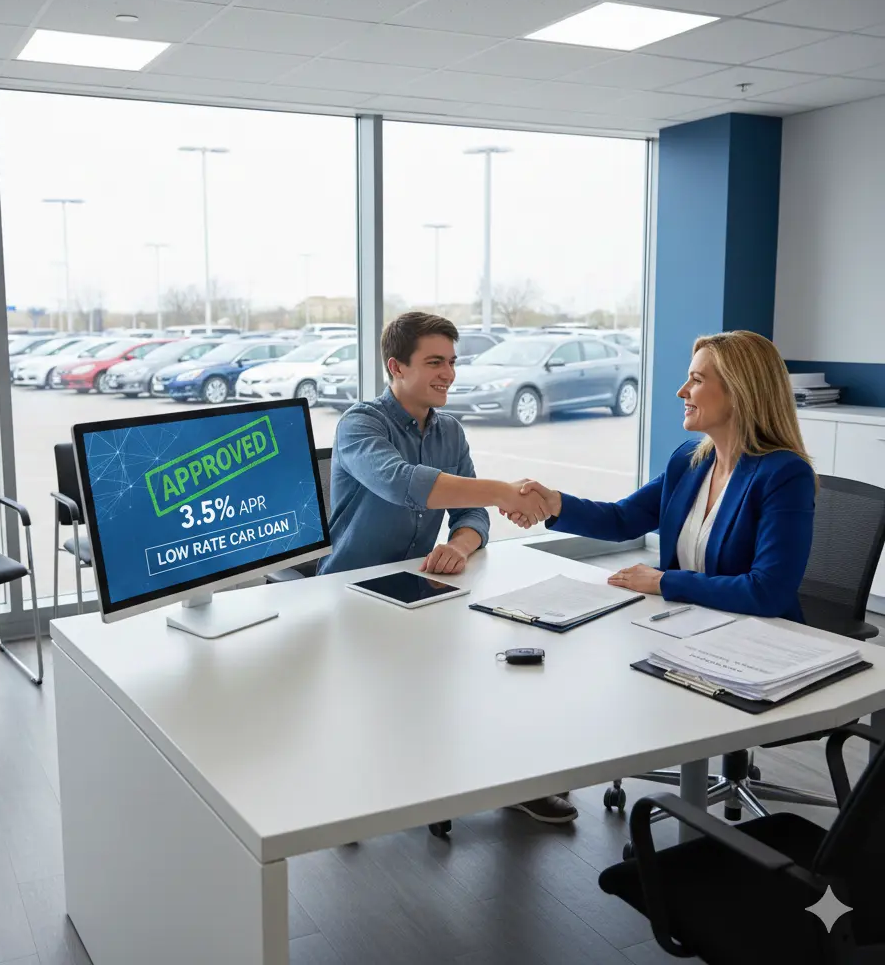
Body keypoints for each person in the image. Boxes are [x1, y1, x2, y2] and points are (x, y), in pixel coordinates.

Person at [319, 311, 578, 824]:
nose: (449, 374)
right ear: (396, 366)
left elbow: (472, 515)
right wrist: (505, 491)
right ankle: (400, 778)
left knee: (505, 659)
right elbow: (401, 482)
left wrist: (461, 544)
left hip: (421, 586)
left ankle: (512, 778)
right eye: (435, 362)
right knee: (421, 686)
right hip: (351, 594)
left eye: (452, 362)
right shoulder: (360, 424)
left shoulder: (450, 431)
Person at [508, 330, 816, 621]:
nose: (682, 391)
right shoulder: (689, 461)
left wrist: (663, 581)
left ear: (738, 392)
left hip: (760, 637)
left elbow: (767, 592)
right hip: (690, 625)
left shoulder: (785, 475)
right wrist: (554, 503)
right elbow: (622, 519)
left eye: (696, 380)